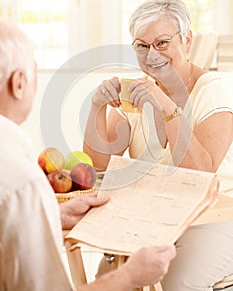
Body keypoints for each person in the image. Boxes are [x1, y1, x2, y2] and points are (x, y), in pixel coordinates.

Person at [0, 20, 176, 291]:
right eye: (141, 46)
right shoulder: (22, 182)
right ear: (19, 83)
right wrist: (131, 276)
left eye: (162, 43)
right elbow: (98, 161)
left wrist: (49, 216)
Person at [83, 0, 233, 291]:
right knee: (109, 281)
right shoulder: (137, 95)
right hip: (159, 217)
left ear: (187, 40)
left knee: (176, 283)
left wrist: (166, 105)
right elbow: (98, 167)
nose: (152, 55)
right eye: (142, 46)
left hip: (216, 216)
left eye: (162, 43)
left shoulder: (215, 92)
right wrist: (97, 107)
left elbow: (201, 171)